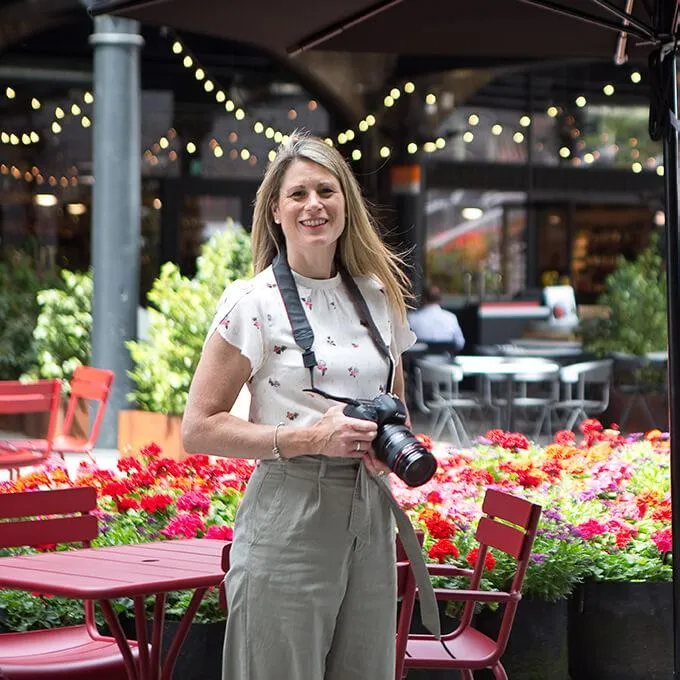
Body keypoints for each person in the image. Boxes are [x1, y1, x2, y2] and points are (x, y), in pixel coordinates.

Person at [182, 132, 439, 680]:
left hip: (370, 510)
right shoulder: (252, 303)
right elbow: (198, 428)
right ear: (275, 210)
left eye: (327, 189)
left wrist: (388, 446)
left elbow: (397, 404)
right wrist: (305, 438)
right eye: (297, 194)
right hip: (289, 509)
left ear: (347, 202)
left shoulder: (377, 295)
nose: (314, 204)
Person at [408, 284, 465, 350]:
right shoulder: (451, 318)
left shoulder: (411, 318)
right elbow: (460, 343)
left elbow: (407, 344)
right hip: (446, 357)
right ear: (440, 299)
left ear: (424, 299)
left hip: (418, 359)